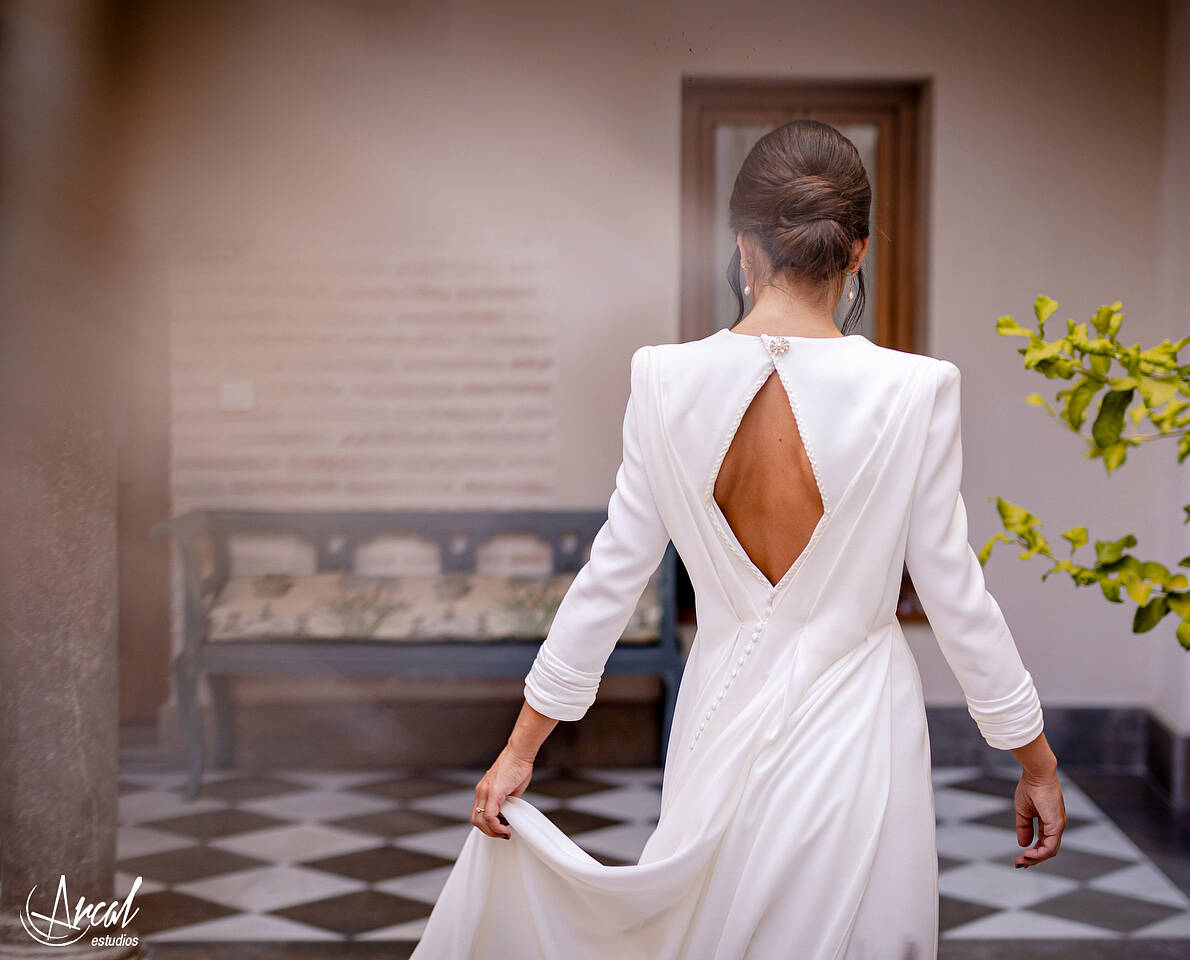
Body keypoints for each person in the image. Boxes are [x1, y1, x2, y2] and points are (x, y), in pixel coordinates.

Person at [408, 119, 1065, 960]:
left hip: (716, 719)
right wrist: (1035, 759)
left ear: (745, 245)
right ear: (857, 251)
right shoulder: (917, 390)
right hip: (859, 731)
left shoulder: (663, 379)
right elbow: (955, 594)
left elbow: (612, 578)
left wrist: (518, 750)